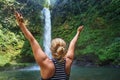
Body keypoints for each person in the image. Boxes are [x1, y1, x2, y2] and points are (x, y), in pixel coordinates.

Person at [15, 11, 83, 80]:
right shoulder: (68, 61)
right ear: (64, 49)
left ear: (51, 49)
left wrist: (21, 24)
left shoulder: (46, 64)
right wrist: (78, 32)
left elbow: (32, 40)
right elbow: (72, 44)